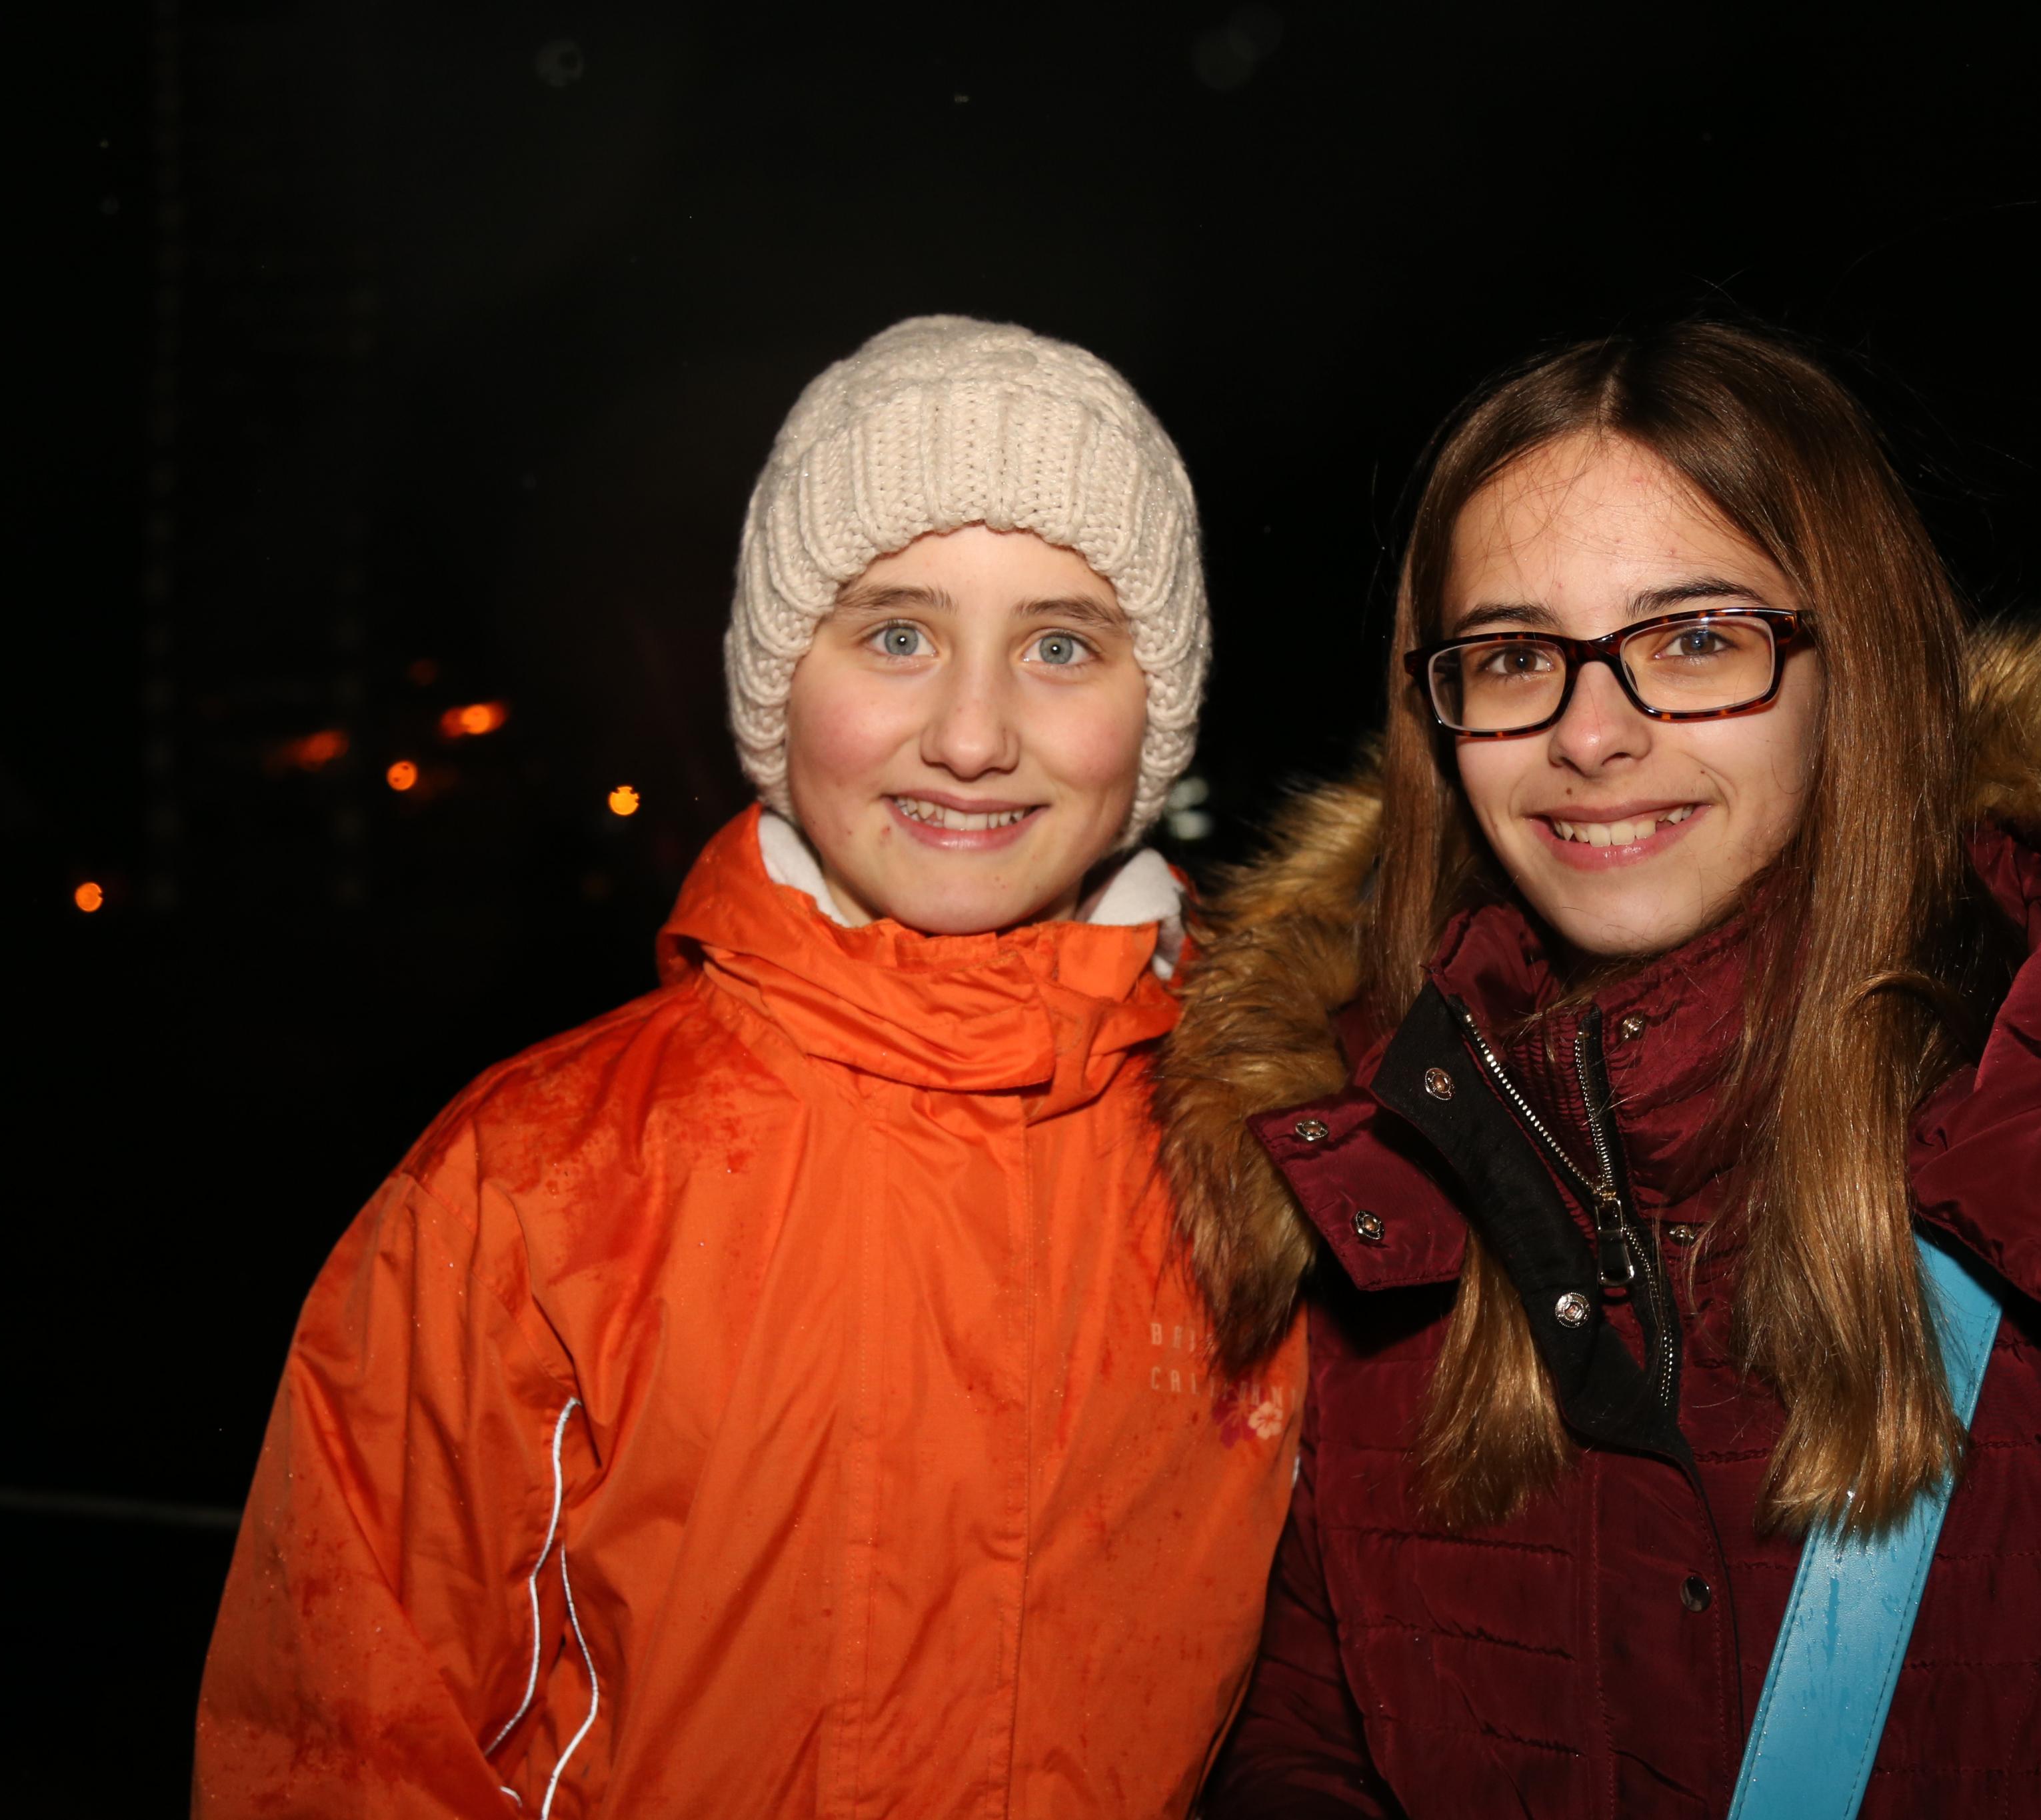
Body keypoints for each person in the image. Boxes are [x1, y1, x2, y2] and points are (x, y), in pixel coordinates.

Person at [1160, 321, 2041, 1815]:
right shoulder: (1368, 1164)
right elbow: (1304, 1734)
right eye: (1513, 658)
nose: (1590, 734)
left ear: (1859, 664)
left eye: (1695, 639)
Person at [193, 317, 1306, 1818]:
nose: (971, 735)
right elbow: (340, 1752)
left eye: (1060, 645)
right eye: (897, 634)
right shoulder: (531, 1183)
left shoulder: (1278, 1156)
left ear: (1152, 708)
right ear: (781, 679)